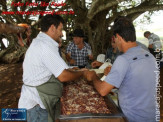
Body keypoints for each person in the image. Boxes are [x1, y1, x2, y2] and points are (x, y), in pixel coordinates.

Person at [18, 15, 90, 122]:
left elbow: (63, 68)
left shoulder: (41, 42)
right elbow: (63, 76)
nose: (61, 33)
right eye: (60, 29)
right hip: (35, 107)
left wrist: (78, 70)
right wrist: (82, 73)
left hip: (34, 104)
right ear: (52, 28)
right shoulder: (44, 46)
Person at [85, 17, 157, 122]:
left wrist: (93, 76)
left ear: (118, 37)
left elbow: (102, 90)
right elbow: (137, 82)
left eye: (114, 39)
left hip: (132, 118)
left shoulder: (123, 59)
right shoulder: (149, 56)